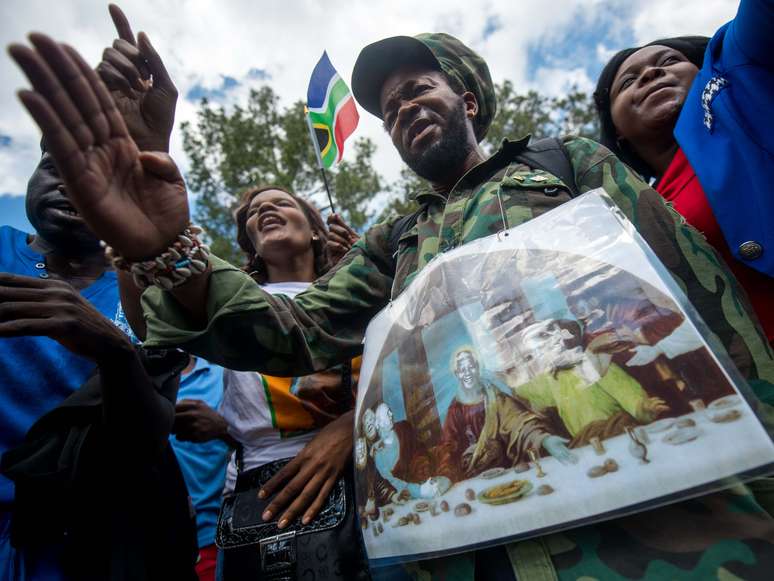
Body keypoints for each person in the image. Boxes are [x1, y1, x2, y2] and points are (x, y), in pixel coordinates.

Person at [11, 25, 774, 581]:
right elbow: (289, 331)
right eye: (387, 107)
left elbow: (692, 291)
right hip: (469, 541)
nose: (403, 107)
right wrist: (169, 242)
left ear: (468, 98)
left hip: (653, 517)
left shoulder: (565, 162)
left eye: (418, 89)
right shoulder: (395, 238)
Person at [0, 149, 197, 579]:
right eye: (56, 166)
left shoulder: (151, 298)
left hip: (88, 546)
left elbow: (145, 439)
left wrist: (115, 352)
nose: (69, 184)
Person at [171, 184, 368, 580]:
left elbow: (406, 377)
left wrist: (352, 426)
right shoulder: (228, 304)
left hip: (366, 490)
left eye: (281, 202)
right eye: (254, 212)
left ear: (316, 231)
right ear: (254, 247)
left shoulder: (361, 299)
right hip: (260, 504)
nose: (265, 210)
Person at [594, 0, 774, 347]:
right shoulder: (622, 223)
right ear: (616, 130)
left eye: (669, 61)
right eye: (628, 81)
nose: (649, 74)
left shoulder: (736, 76)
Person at [509, 319, 668, 446]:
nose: (546, 354)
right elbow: (526, 390)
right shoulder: (552, 377)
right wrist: (509, 380)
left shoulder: (598, 366)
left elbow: (626, 391)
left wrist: (644, 406)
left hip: (615, 432)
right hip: (585, 440)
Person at [439, 349, 576, 481]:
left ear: (478, 368)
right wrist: (446, 475)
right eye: (462, 370)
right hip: (475, 473)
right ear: (457, 374)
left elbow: (520, 422)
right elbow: (449, 446)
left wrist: (544, 440)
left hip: (507, 468)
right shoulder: (455, 409)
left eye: (471, 367)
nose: (467, 373)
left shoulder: (496, 397)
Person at [170, 356, 229, 581]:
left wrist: (223, 427)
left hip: (213, 536)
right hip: (154, 540)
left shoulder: (222, 375)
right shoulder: (133, 381)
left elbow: (256, 443)